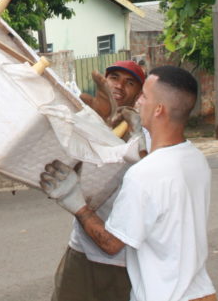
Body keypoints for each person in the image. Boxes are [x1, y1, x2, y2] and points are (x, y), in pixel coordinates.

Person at [42, 66, 216, 301]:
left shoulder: (145, 174)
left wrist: (75, 203)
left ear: (159, 109)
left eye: (143, 95)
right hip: (200, 293)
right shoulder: (195, 159)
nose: (138, 102)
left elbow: (112, 244)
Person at [52, 60, 147, 301]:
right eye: (114, 78)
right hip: (82, 249)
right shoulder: (88, 121)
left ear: (139, 94)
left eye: (130, 82)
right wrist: (96, 124)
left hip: (122, 260)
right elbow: (67, 168)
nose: (119, 85)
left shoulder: (142, 136)